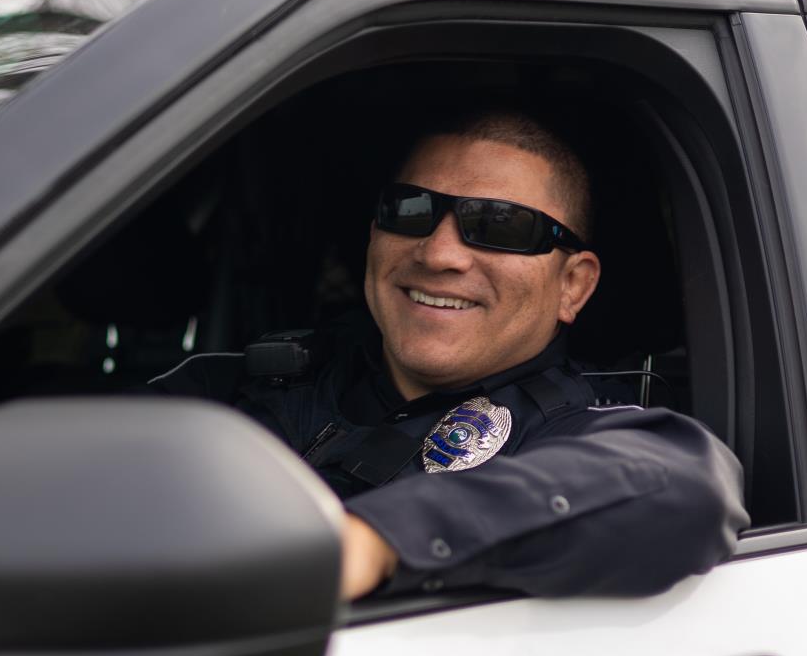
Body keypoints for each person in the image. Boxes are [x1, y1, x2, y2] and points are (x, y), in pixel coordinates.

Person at [148, 106, 748, 602]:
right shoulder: (241, 386)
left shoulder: (578, 438)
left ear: (573, 286)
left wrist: (374, 540)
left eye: (501, 225)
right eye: (410, 211)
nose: (439, 254)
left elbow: (689, 486)